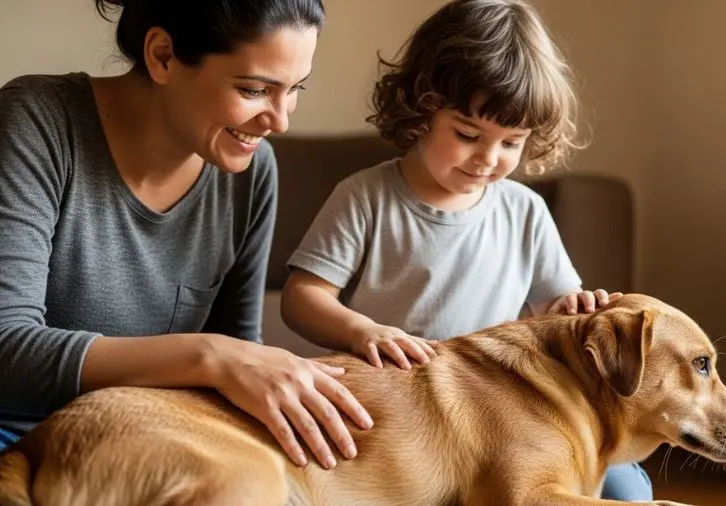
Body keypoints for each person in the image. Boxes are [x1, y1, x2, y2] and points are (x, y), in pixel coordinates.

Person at [280, 0, 653, 500]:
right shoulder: (365, 196)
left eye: (511, 143)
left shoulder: (525, 210)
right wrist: (363, 331)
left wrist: (579, 308)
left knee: (626, 490)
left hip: (502, 412)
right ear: (421, 106)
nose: (488, 159)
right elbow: (302, 297)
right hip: (406, 415)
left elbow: (555, 314)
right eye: (468, 134)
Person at [0, 0, 373, 471]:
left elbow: (240, 347)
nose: (280, 121)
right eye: (255, 89)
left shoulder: (252, 171)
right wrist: (208, 355)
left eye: (295, 88)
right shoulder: (37, 122)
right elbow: (6, 349)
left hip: (149, 438)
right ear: (162, 55)